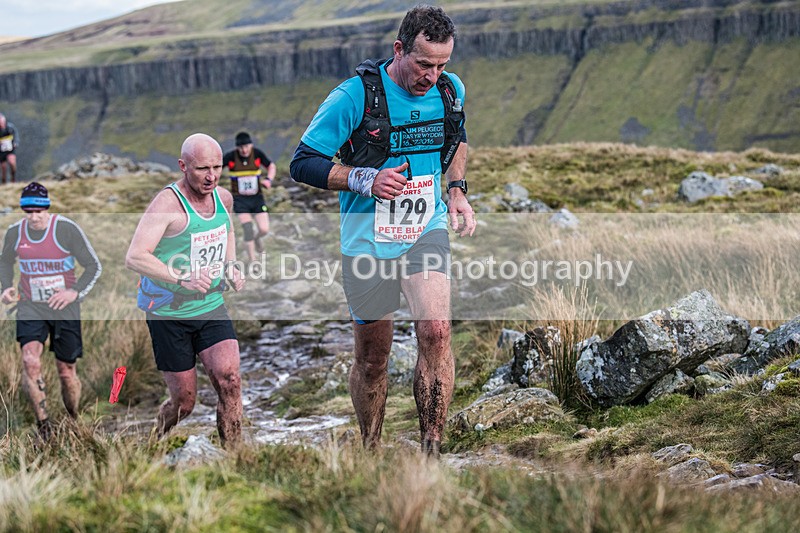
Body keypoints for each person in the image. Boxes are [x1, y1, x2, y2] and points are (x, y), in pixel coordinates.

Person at [290, 5, 476, 457]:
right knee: (374, 360)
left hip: (424, 228)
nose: (432, 76)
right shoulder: (353, 97)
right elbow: (303, 162)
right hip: (367, 241)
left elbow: (456, 138)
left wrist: (456, 190)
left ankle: (431, 449)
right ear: (399, 49)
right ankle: (371, 447)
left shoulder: (450, 91)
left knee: (435, 331)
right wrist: (364, 179)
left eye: (441, 65)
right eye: (423, 64)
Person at [125, 133, 246, 448]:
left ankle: (236, 459)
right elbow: (135, 257)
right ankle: (151, 442)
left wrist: (231, 265)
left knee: (230, 382)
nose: (211, 176)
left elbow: (227, 228)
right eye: (202, 168)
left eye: (217, 167)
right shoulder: (167, 204)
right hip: (169, 312)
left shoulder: (223, 197)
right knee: (184, 403)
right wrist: (182, 279)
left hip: (210, 305)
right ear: (183, 166)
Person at [0, 182, 102, 439]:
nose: (34, 217)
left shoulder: (66, 229)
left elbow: (93, 266)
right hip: (30, 305)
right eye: (28, 211)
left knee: (66, 370)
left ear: (47, 208)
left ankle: (73, 418)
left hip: (64, 307)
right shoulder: (15, 233)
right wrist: (6, 287)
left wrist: (74, 292)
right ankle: (44, 427)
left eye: (39, 211)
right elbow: (5, 261)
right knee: (30, 361)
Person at [223, 131, 277, 263]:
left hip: (257, 198)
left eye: (246, 146)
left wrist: (269, 180)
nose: (244, 150)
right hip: (240, 200)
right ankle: (253, 261)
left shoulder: (257, 154)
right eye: (241, 147)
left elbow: (271, 166)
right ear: (237, 147)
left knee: (264, 229)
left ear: (251, 145)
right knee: (248, 229)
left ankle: (257, 238)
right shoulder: (230, 157)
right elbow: (217, 168)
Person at [0, 113, 19, 184]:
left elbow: (16, 135)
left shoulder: (10, 127)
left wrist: (15, 143)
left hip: (10, 149)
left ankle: (13, 179)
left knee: (12, 163)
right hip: (1, 151)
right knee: (3, 168)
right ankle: (4, 183)